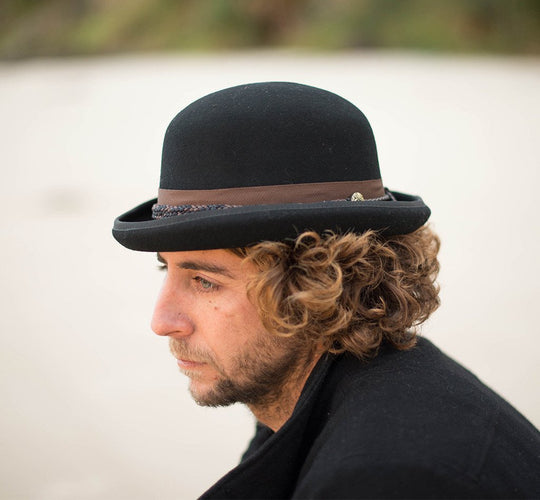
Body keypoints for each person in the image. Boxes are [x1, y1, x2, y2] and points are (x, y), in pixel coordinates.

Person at [113, 82, 540, 499]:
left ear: (317, 282)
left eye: (204, 280)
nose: (162, 322)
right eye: (164, 269)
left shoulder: (384, 479)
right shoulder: (339, 395)